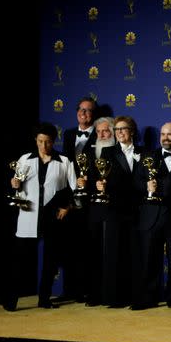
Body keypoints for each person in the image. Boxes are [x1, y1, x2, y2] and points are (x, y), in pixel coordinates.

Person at [5, 123, 76, 310]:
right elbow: (17, 185)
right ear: (36, 141)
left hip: (53, 217)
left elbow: (74, 189)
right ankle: (11, 300)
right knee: (20, 261)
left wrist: (67, 207)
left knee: (51, 261)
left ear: (53, 142)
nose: (44, 146)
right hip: (29, 215)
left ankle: (44, 299)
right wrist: (14, 183)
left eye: (48, 142)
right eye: (40, 141)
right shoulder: (25, 159)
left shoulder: (64, 161)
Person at [133, 122, 171, 310]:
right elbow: (136, 182)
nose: (165, 138)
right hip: (151, 215)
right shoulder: (148, 157)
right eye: (163, 134)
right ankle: (147, 298)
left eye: (170, 134)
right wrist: (146, 187)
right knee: (149, 258)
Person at [95, 116, 143, 307]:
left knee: (135, 253)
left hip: (138, 209)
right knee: (114, 253)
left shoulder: (144, 152)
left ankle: (135, 296)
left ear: (132, 131)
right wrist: (98, 184)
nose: (120, 133)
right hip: (115, 208)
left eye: (123, 129)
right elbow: (99, 176)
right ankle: (114, 297)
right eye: (117, 130)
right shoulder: (107, 152)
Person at [60, 97, 98, 302]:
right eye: (81, 110)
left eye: (88, 111)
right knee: (69, 246)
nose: (84, 114)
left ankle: (87, 290)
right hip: (69, 198)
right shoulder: (67, 134)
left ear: (93, 114)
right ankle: (69, 290)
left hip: (90, 199)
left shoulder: (100, 135)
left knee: (87, 246)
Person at [85, 117, 115, 306]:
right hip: (93, 209)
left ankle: (110, 295)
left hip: (113, 208)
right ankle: (93, 294)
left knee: (111, 253)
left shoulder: (117, 152)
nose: (101, 135)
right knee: (93, 252)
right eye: (98, 132)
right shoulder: (89, 152)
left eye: (105, 131)